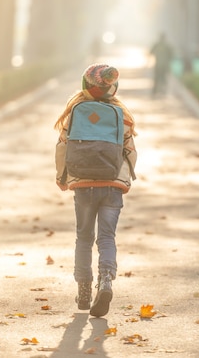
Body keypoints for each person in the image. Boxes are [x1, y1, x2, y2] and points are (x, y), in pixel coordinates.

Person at [54, 63, 138, 317]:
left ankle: (83, 290)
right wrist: (126, 178)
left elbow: (62, 147)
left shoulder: (75, 112)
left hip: (83, 183)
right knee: (106, 238)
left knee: (84, 237)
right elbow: (130, 151)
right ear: (112, 88)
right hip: (111, 184)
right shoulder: (119, 114)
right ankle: (106, 281)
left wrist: (62, 176)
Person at [149, 33, 174, 97]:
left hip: (158, 65)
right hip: (164, 66)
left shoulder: (157, 45)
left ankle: (155, 92)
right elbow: (172, 55)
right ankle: (163, 91)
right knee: (163, 78)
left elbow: (151, 52)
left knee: (157, 79)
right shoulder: (167, 46)